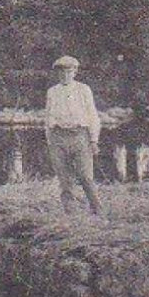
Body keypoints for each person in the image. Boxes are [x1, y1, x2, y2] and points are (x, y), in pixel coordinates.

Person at [44, 55, 103, 215]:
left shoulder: (83, 90)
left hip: (79, 136)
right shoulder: (52, 92)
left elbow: (92, 116)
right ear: (57, 73)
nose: (65, 75)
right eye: (61, 72)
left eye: (68, 71)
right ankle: (70, 214)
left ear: (75, 72)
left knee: (85, 176)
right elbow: (48, 116)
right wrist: (50, 139)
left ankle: (97, 210)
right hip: (58, 137)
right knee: (64, 180)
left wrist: (93, 140)